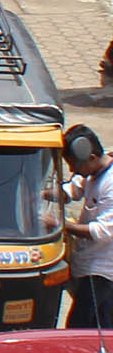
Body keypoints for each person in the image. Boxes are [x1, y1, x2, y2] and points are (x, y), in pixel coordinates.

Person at [50, 124, 113, 324]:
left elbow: (101, 231)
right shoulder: (91, 173)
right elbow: (72, 190)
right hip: (86, 262)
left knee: (82, 326)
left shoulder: (110, 185)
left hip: (101, 271)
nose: (72, 170)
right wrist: (39, 192)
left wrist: (60, 225)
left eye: (74, 164)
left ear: (92, 158)